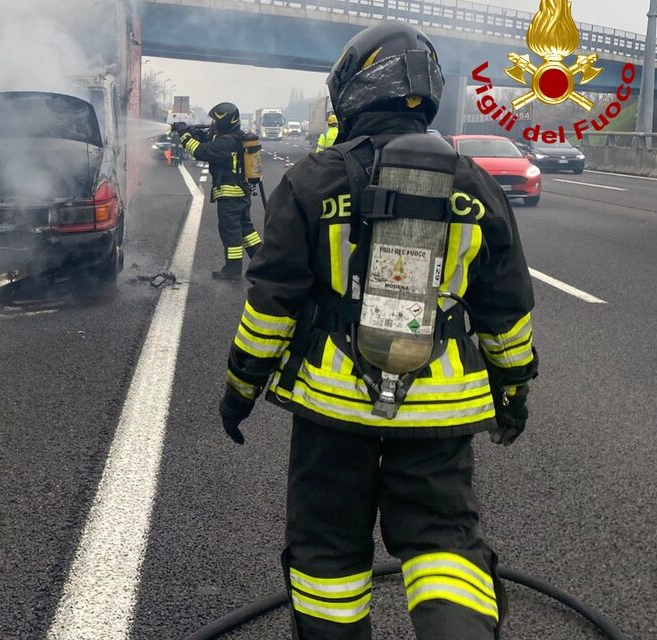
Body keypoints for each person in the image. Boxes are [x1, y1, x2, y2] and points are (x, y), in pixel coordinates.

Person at [216, 22, 538, 640]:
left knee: (328, 560)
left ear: (353, 89)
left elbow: (271, 308)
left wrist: (240, 388)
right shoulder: (474, 184)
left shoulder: (313, 181)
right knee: (445, 548)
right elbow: (507, 312)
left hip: (332, 412)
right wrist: (514, 393)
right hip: (437, 418)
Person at [174, 103, 262, 280]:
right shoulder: (235, 137)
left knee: (230, 231)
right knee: (246, 230)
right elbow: (211, 145)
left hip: (230, 195)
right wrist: (199, 135)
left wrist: (184, 135)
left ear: (225, 121)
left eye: (215, 121)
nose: (213, 124)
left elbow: (200, 152)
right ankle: (263, 264)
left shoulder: (226, 142)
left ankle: (233, 270)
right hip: (240, 193)